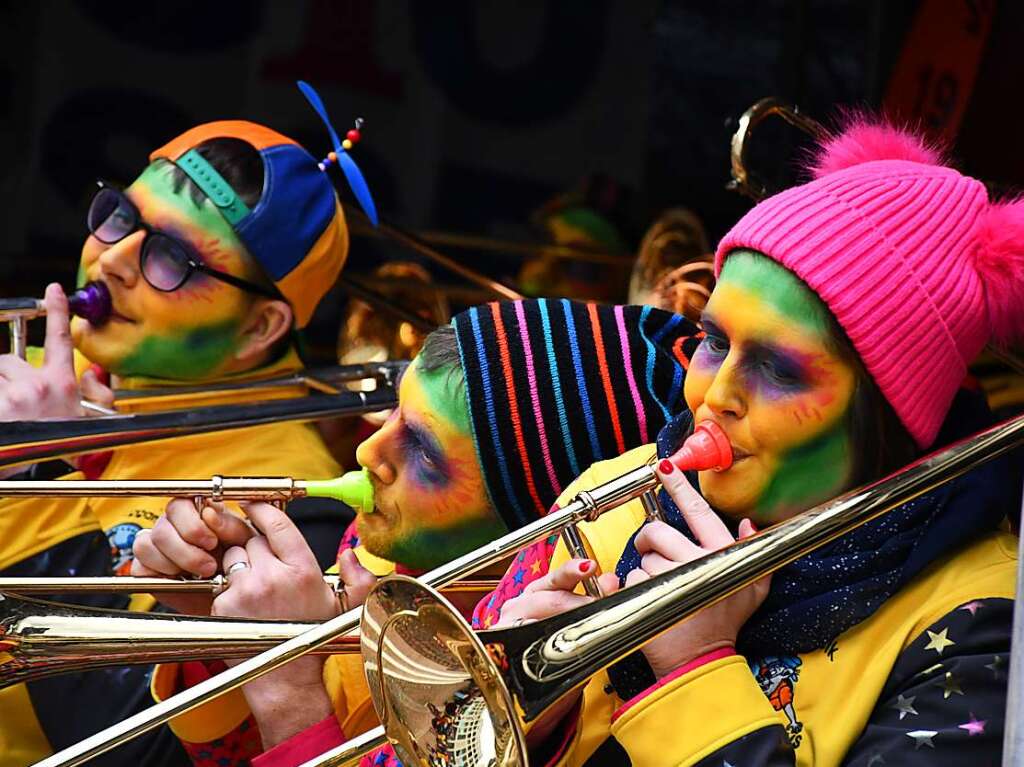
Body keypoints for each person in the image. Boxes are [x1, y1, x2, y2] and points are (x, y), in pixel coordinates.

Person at [477, 118, 1023, 766]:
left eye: (779, 369)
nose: (714, 394)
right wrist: (525, 736)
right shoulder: (610, 496)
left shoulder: (981, 621)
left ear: (885, 420)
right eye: (713, 341)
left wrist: (695, 670)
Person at [132, 298, 702, 765]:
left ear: (527, 530)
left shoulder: (553, 678)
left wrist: (287, 687)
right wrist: (213, 638)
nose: (366, 450)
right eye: (395, 415)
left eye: (425, 454)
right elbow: (220, 758)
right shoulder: (373, 556)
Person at [0, 99, 373, 766]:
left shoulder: (293, 505)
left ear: (260, 328)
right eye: (121, 218)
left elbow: (126, 743)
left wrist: (35, 472)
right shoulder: (37, 373)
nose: (113, 258)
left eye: (170, 257)